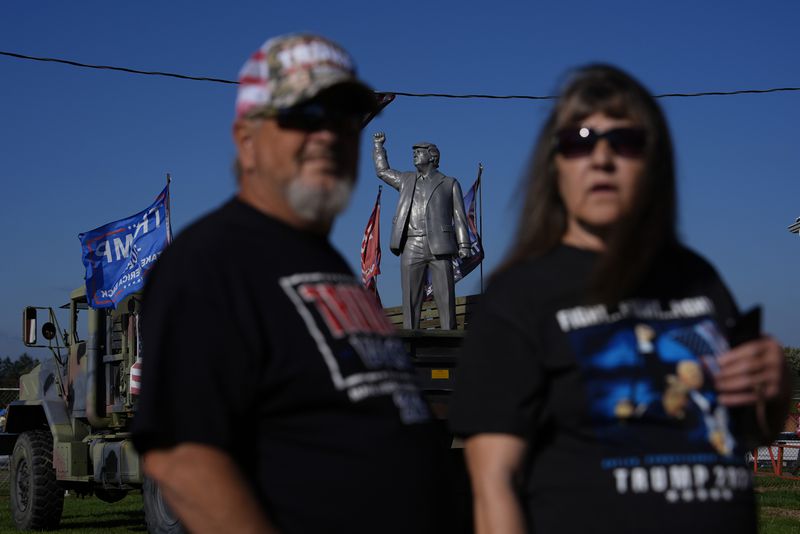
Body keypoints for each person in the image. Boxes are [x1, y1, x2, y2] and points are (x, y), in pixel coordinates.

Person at [448, 64, 792, 534]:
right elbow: (493, 485)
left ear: (654, 163)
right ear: (556, 167)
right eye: (579, 141)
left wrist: (774, 386)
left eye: (626, 141)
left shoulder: (696, 276)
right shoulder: (519, 295)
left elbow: (748, 431)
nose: (602, 157)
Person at [132, 33, 450, 534]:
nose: (326, 138)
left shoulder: (326, 266)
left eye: (343, 121)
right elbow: (183, 462)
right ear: (248, 141)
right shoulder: (211, 264)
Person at [372, 132, 471, 329]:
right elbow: (382, 171)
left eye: (419, 152)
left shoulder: (449, 183)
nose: (414, 155)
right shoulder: (406, 180)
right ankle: (411, 337)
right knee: (410, 296)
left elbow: (459, 217)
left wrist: (464, 244)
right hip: (411, 244)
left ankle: (448, 334)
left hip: (440, 245)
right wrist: (378, 147)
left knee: (445, 296)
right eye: (414, 152)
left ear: (432, 156)